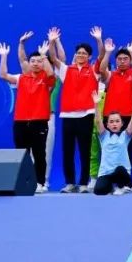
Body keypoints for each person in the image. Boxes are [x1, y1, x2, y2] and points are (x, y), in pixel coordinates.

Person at [46, 26, 104, 193]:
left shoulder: (93, 70)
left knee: (85, 150)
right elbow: (53, 58)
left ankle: (84, 183)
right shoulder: (66, 70)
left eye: (84, 53)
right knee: (68, 151)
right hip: (68, 115)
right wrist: (52, 42)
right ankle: (70, 183)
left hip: (86, 114)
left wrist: (99, 39)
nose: (81, 55)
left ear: (89, 56)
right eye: (78, 53)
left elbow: (101, 55)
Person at [0, 35, 56, 193]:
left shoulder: (47, 79)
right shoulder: (21, 78)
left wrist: (43, 55)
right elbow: (3, 75)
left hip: (39, 122)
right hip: (21, 122)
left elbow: (50, 73)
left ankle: (40, 183)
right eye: (33, 61)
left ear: (43, 63)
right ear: (28, 64)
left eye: (39, 61)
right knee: (22, 154)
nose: (36, 63)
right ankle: (23, 182)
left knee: (39, 153)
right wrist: (4, 56)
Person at [98, 37, 132, 171]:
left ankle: (126, 176)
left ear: (130, 60)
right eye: (119, 59)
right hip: (110, 116)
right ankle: (107, 173)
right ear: (116, 61)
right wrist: (108, 52)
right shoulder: (111, 75)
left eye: (125, 59)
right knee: (107, 147)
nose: (122, 61)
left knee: (128, 148)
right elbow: (101, 70)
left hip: (128, 116)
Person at [93, 94, 132, 195]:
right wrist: (96, 104)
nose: (114, 124)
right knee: (98, 191)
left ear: (121, 124)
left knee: (120, 169)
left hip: (121, 173)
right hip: (106, 173)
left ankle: (121, 186)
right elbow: (98, 121)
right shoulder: (104, 135)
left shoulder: (125, 135)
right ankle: (112, 186)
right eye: (111, 122)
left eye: (117, 121)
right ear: (107, 125)